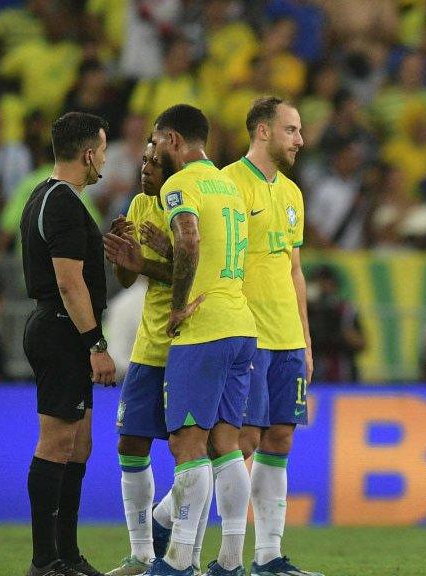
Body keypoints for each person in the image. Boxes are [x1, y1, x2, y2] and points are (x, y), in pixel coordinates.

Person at [143, 104, 257, 576]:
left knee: (188, 447)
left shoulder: (180, 184)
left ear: (172, 140)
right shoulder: (230, 185)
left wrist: (177, 305)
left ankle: (177, 560)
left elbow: (190, 240)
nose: (152, 151)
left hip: (204, 328)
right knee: (227, 444)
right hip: (241, 325)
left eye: (155, 141)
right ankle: (230, 561)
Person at [221, 96, 323, 576]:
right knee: (241, 440)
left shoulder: (292, 194)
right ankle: (223, 552)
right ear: (262, 131)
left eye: (299, 131)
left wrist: (304, 340)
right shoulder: (227, 185)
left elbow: (295, 271)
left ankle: (268, 557)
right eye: (291, 130)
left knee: (279, 438)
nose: (300, 140)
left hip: (285, 338)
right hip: (245, 335)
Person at [19, 111, 115, 576]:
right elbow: (69, 281)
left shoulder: (48, 195)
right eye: (104, 150)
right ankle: (45, 561)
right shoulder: (62, 202)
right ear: (89, 153)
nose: (105, 161)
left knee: (79, 445)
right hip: (63, 330)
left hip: (61, 330)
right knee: (56, 443)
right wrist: (96, 342)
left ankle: (68, 555)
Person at [101, 140, 182, 576]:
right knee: (130, 441)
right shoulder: (138, 205)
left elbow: (196, 271)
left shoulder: (187, 204)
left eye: (153, 161)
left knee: (193, 451)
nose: (144, 167)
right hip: (148, 345)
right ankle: (142, 555)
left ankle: (173, 538)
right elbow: (129, 276)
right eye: (144, 160)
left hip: (190, 341)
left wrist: (158, 257)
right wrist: (123, 253)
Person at [307, 265, 364, 383]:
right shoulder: (306, 310)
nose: (321, 288)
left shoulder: (344, 310)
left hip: (342, 372)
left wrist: (340, 327)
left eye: (325, 283)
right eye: (316, 284)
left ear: (334, 285)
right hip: (315, 372)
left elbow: (361, 343)